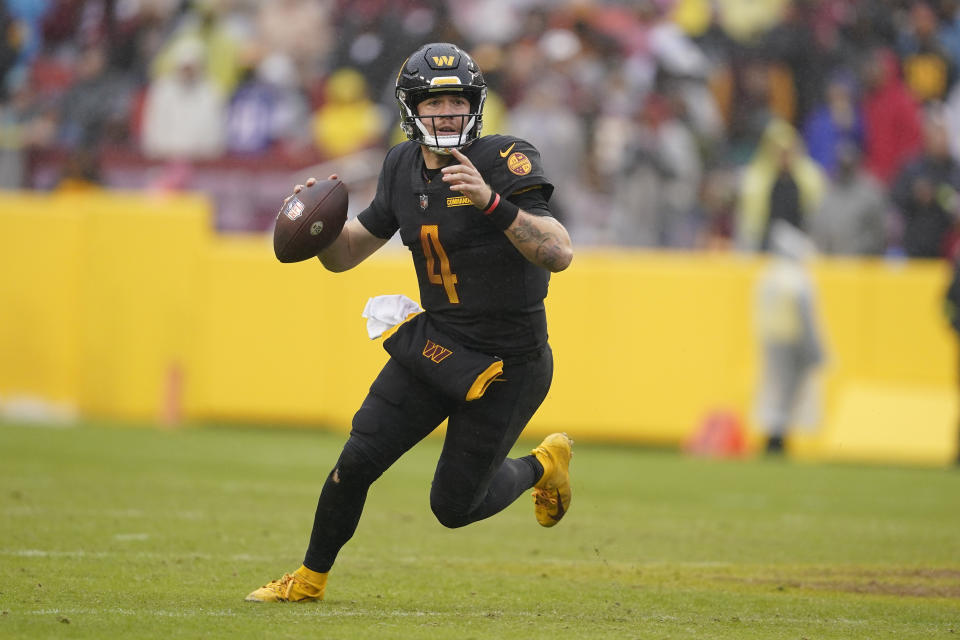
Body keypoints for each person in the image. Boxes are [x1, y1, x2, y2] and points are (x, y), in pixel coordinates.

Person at [245, 42, 575, 603]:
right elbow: (347, 253)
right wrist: (319, 230)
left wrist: (492, 203)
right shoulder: (400, 164)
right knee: (357, 458)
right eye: (433, 101)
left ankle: (543, 465)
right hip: (439, 343)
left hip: (507, 362)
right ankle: (308, 581)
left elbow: (559, 252)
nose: (446, 112)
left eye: (456, 99)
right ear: (409, 108)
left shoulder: (504, 158)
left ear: (475, 105)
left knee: (453, 507)